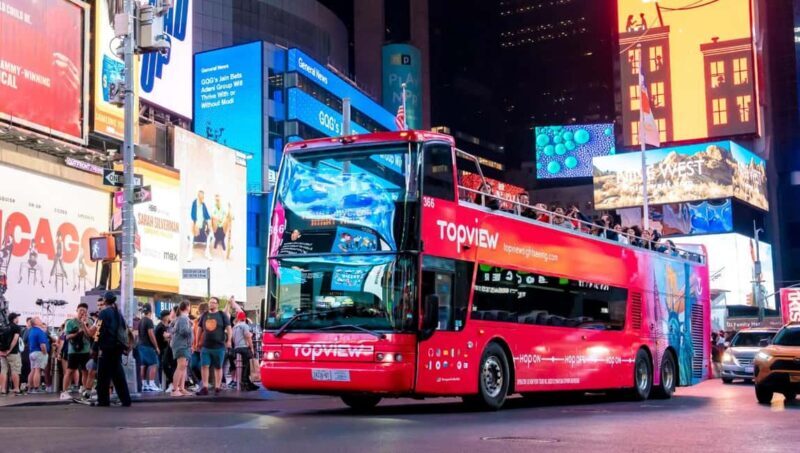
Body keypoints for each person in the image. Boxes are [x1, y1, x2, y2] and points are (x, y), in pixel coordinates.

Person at [93, 291, 131, 407]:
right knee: (118, 375)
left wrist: (95, 346)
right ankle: (126, 400)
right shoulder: (118, 314)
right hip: (117, 347)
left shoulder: (103, 313)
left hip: (106, 347)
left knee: (103, 376)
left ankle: (103, 401)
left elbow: (98, 330)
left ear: (105, 301)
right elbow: (124, 329)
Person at [196, 297, 231, 396]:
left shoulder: (222, 315)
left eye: (213, 302)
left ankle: (217, 387)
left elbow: (229, 328)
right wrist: (197, 341)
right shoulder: (204, 315)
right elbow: (199, 329)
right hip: (206, 346)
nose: (211, 304)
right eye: (210, 302)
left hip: (219, 346)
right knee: (204, 366)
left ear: (217, 304)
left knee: (218, 367)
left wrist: (229, 340)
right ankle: (205, 387)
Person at [61, 303, 92, 400]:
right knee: (70, 370)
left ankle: (85, 390)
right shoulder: (70, 322)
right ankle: (64, 392)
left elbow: (90, 335)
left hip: (86, 350)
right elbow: (67, 337)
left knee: (85, 371)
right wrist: (77, 333)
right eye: (80, 310)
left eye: (84, 311)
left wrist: (84, 325)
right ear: (77, 310)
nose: (82, 312)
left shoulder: (89, 321)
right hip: (73, 351)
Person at [170, 301, 193, 397]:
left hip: (183, 345)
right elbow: (184, 331)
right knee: (181, 366)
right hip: (181, 345)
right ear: (187, 307)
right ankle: (175, 389)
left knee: (183, 366)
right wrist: (191, 326)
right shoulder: (183, 318)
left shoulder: (181, 318)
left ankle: (181, 388)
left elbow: (173, 328)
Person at [231, 311, 257, 391]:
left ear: (238, 318)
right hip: (244, 348)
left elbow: (233, 338)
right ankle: (245, 380)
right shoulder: (245, 325)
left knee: (241, 365)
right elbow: (248, 336)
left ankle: (247, 382)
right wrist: (252, 347)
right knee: (249, 362)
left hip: (236, 349)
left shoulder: (234, 327)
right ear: (245, 318)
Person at [136, 304, 160, 392]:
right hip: (148, 346)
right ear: (150, 311)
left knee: (143, 365)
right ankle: (152, 384)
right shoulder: (149, 321)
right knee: (154, 364)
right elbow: (151, 334)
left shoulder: (140, 321)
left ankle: (144, 384)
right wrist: (156, 346)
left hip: (140, 345)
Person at [0, 312, 22, 395]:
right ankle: (16, 388)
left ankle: (2, 389)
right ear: (14, 319)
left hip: (2, 352)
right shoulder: (16, 327)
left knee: (3, 370)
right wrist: (9, 350)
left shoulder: (4, 327)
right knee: (15, 370)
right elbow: (15, 339)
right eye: (17, 318)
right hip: (13, 353)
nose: (18, 319)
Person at [26, 317, 50, 394]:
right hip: (39, 353)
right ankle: (36, 388)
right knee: (37, 370)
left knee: (33, 370)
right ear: (35, 322)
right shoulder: (40, 331)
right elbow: (42, 345)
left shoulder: (31, 331)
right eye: (38, 319)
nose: (40, 320)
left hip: (32, 353)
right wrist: (45, 353)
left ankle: (30, 387)